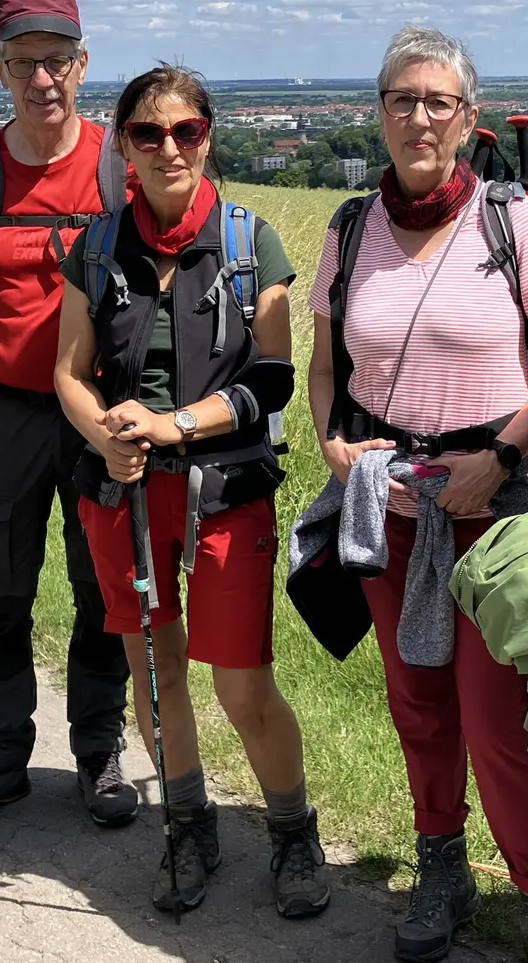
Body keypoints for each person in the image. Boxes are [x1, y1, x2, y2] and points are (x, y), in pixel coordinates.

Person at [305, 24, 528, 963]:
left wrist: (504, 458)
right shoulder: (348, 230)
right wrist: (334, 445)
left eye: (439, 102)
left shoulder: (513, 223)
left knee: (495, 720)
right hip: (388, 510)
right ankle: (442, 870)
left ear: (469, 121)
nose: (420, 117)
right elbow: (327, 367)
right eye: (402, 100)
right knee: (417, 702)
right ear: (378, 114)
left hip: (493, 514)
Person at [54, 65, 329, 917]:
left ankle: (293, 833)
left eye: (186, 131)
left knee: (241, 682)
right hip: (123, 493)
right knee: (153, 664)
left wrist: (174, 427)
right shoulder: (97, 249)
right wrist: (107, 434)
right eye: (148, 133)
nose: (169, 148)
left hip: (224, 489)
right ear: (125, 145)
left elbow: (274, 380)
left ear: (208, 134)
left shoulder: (252, 245)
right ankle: (188, 825)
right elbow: (68, 372)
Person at [0, 0, 137, 835]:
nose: (42, 79)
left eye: (57, 61)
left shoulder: (119, 164)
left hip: (96, 414)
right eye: (23, 63)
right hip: (0, 409)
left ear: (83, 64)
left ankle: (98, 752)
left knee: (101, 590)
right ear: (0, 69)